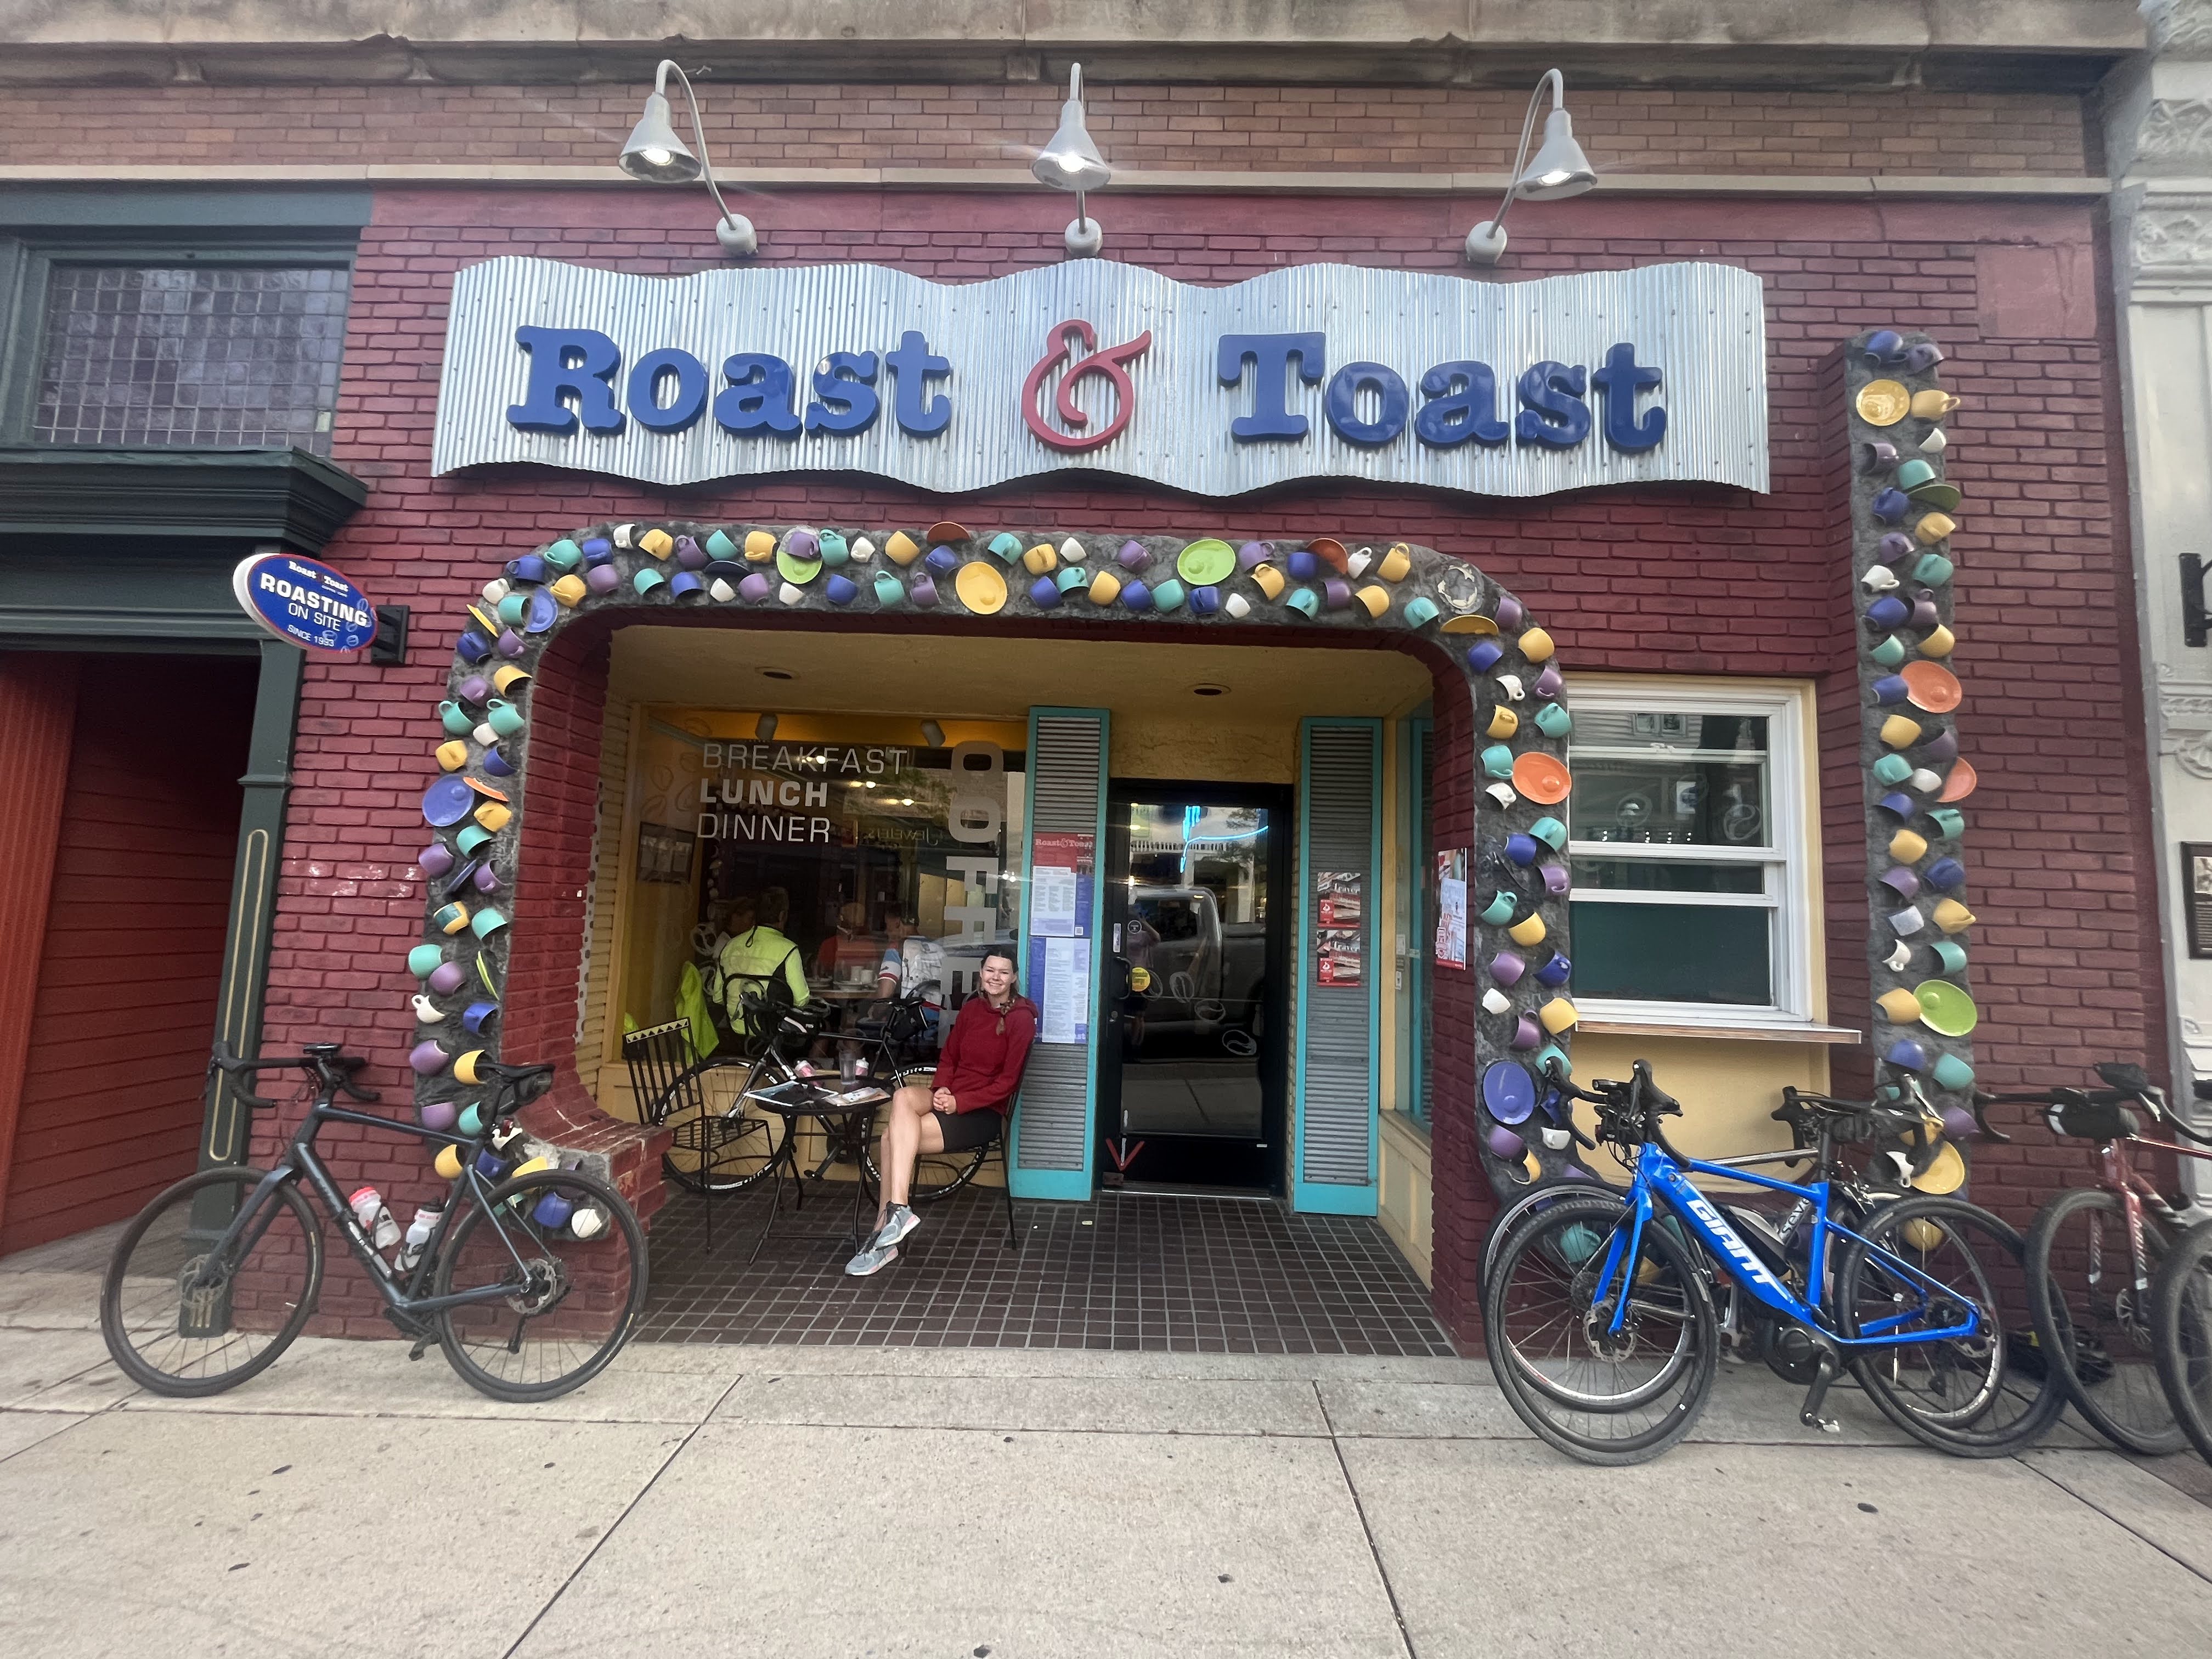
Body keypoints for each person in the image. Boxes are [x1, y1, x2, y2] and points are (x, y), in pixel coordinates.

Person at [846, 943, 1034, 1277]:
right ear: (981, 973)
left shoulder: (1022, 1020)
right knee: (903, 1097)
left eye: (1004, 972)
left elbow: (1008, 1083)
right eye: (990, 970)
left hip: (982, 1113)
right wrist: (943, 1088)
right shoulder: (973, 1009)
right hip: (949, 1097)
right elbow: (949, 1057)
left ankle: (883, 1234)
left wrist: (960, 1102)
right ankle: (899, 1212)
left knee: (891, 1138)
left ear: (1014, 978)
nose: (996, 977)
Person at [715, 887, 809, 1036]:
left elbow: (718, 997)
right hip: (771, 1032)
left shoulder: (730, 946)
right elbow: (802, 1000)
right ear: (783, 915)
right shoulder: (789, 950)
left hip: (736, 1030)